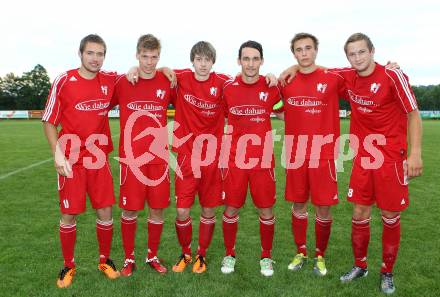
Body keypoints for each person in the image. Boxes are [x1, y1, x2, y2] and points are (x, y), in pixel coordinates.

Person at [335, 33, 423, 295]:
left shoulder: (392, 75)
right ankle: (360, 266)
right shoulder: (347, 77)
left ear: (372, 51)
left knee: (389, 216)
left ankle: (387, 272)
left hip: (392, 160)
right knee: (359, 213)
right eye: (352, 54)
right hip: (364, 159)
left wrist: (415, 154)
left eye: (362, 52)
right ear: (347, 57)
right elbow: (316, 71)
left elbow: (413, 114)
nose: (357, 58)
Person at [42, 34, 120, 288]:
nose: (95, 59)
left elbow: (138, 75)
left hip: (99, 159)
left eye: (100, 54)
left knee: (105, 211)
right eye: (91, 53)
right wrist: (57, 153)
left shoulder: (109, 80)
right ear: (80, 53)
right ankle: (68, 265)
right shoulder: (64, 81)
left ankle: (105, 260)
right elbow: (49, 121)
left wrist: (161, 68)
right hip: (71, 160)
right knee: (69, 214)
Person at [278, 33, 346, 276]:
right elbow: (273, 106)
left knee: (323, 208)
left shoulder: (332, 78)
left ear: (316, 50)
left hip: (324, 154)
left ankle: (320, 255)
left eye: (308, 48)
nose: (304, 53)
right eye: (299, 50)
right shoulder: (285, 82)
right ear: (294, 53)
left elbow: (361, 76)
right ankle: (301, 251)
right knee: (298, 204)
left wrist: (390, 67)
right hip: (296, 155)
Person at [111, 34, 173, 276]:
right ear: (137, 55)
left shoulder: (167, 81)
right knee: (130, 210)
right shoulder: (123, 82)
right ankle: (128, 259)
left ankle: (152, 255)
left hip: (159, 160)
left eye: (154, 57)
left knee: (157, 209)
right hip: (132, 160)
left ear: (160, 56)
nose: (149, 62)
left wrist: (167, 69)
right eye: (144, 57)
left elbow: (192, 83)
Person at [220, 40, 283, 277]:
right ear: (239, 61)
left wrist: (278, 76)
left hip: (263, 161)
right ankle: (229, 253)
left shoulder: (272, 88)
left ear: (262, 61)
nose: (250, 63)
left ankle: (266, 256)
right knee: (231, 209)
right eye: (246, 58)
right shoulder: (228, 88)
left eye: (255, 59)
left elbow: (285, 107)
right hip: (235, 160)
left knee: (266, 210)